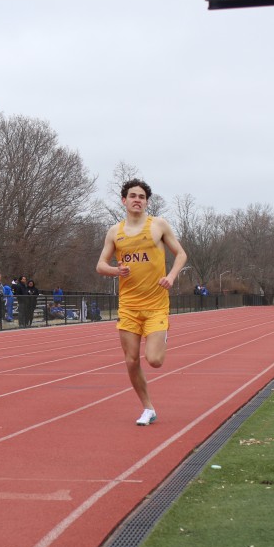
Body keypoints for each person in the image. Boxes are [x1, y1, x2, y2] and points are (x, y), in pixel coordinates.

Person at [96, 178, 187, 426]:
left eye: (142, 197)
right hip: (128, 306)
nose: (137, 200)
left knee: (154, 360)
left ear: (147, 202)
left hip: (156, 304)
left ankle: (162, 334)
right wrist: (116, 271)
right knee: (131, 360)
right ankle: (148, 408)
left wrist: (171, 276)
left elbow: (181, 254)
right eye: (133, 196)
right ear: (124, 200)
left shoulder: (158, 225)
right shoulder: (114, 232)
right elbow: (101, 265)